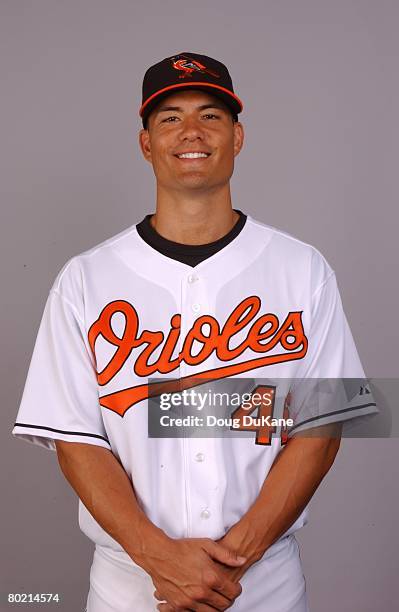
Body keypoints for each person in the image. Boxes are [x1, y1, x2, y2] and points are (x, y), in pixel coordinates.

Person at [12, 52, 377, 612]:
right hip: (131, 588)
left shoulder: (302, 269)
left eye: (210, 116)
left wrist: (230, 563)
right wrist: (160, 558)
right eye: (170, 118)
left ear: (238, 136)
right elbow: (75, 439)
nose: (191, 132)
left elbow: (320, 426)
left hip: (263, 587)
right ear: (145, 143)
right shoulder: (86, 279)